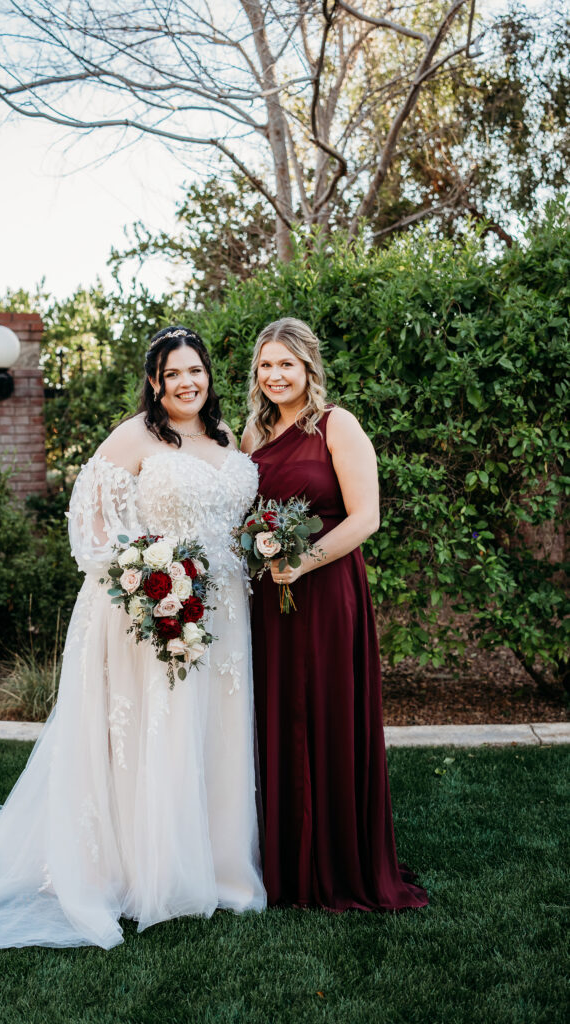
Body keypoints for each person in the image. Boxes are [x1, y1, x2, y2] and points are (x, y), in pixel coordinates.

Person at [0, 326, 265, 953]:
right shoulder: (135, 436)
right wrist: (147, 576)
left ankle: (222, 867)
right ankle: (152, 873)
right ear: (155, 382)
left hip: (227, 616)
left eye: (195, 371)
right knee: (162, 733)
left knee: (214, 733)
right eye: (173, 374)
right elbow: (89, 524)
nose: (187, 383)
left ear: (208, 375)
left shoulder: (228, 438)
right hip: (159, 611)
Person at [241, 317, 428, 913]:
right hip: (270, 598)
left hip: (326, 591)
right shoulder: (252, 434)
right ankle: (285, 864)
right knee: (275, 716)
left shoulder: (336, 425)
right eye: (266, 365)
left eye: (286, 365)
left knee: (325, 710)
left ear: (308, 369)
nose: (275, 376)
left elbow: (365, 516)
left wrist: (306, 559)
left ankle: (339, 859)